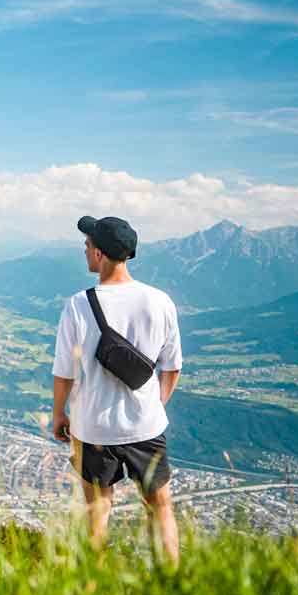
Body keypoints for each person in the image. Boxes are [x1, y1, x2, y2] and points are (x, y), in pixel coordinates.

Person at [52, 216, 182, 564]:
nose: (84, 251)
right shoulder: (160, 301)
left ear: (99, 254)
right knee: (160, 506)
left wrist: (58, 414)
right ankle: (172, 579)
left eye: (87, 246)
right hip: (146, 426)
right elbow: (172, 367)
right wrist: (154, 405)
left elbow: (64, 372)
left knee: (97, 510)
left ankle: (95, 582)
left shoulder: (79, 304)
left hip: (93, 426)